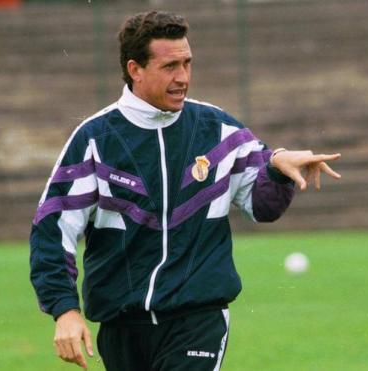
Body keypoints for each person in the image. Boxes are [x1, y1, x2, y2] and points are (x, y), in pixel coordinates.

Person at [30, 11, 341, 371]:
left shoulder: (220, 130)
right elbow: (52, 231)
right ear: (135, 69)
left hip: (198, 322)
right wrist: (64, 310)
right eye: (170, 66)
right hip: (121, 328)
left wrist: (277, 169)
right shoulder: (94, 140)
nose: (183, 77)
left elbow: (263, 207)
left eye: (187, 63)